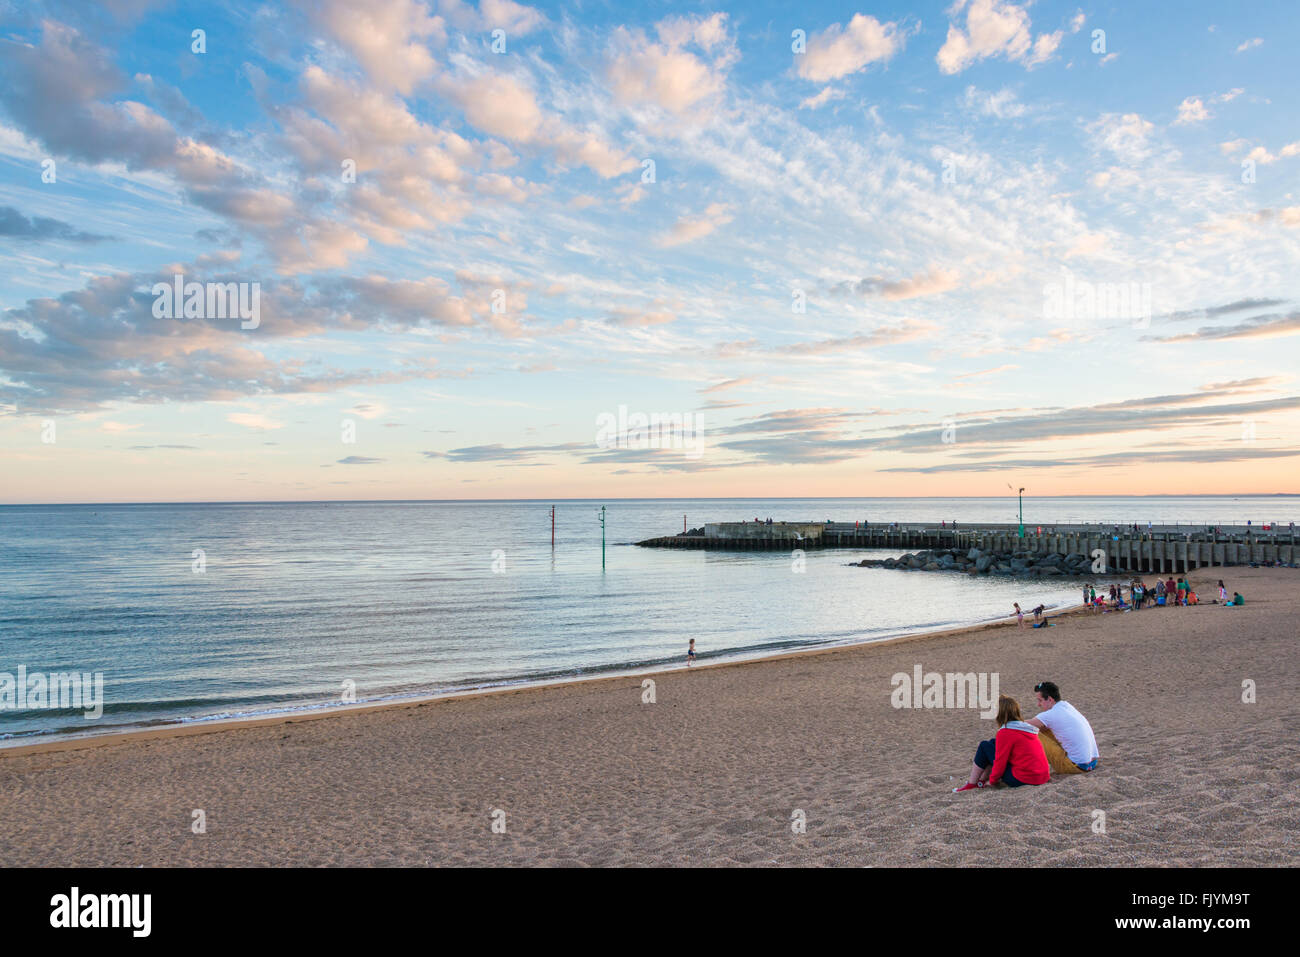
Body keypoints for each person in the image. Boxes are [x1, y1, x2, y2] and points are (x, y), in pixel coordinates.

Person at [953, 694, 1050, 791]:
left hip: (1023, 779)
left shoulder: (1006, 732)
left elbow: (1000, 762)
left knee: (984, 746)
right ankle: (981, 780)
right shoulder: (1024, 728)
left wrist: (992, 781)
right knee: (992, 743)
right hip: (1042, 777)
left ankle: (972, 783)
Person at [1027, 681, 1100, 771]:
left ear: (1050, 699)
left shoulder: (1051, 714)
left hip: (1077, 766)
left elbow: (1021, 726)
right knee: (1043, 728)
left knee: (1029, 732)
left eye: (1040, 700)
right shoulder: (1066, 706)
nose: (1038, 704)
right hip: (1092, 762)